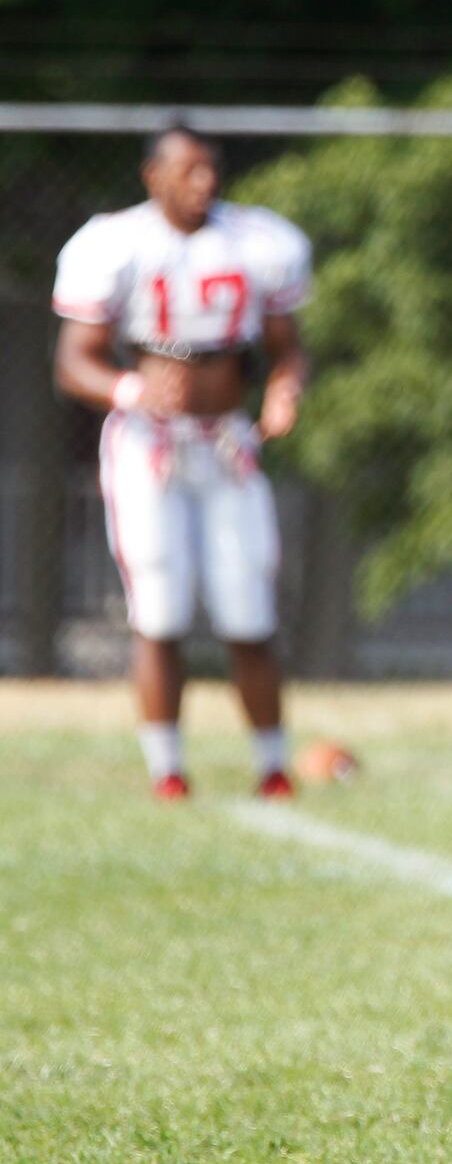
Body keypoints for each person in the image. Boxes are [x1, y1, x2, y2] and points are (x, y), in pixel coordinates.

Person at [52, 124, 312, 800]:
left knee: (248, 606)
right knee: (160, 610)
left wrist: (285, 390)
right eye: (189, 171)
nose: (204, 183)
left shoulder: (258, 241)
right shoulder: (115, 243)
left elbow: (287, 345)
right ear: (153, 176)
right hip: (149, 444)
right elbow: (74, 360)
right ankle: (167, 769)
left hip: (226, 440)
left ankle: (273, 764)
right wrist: (131, 388)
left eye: (211, 169)